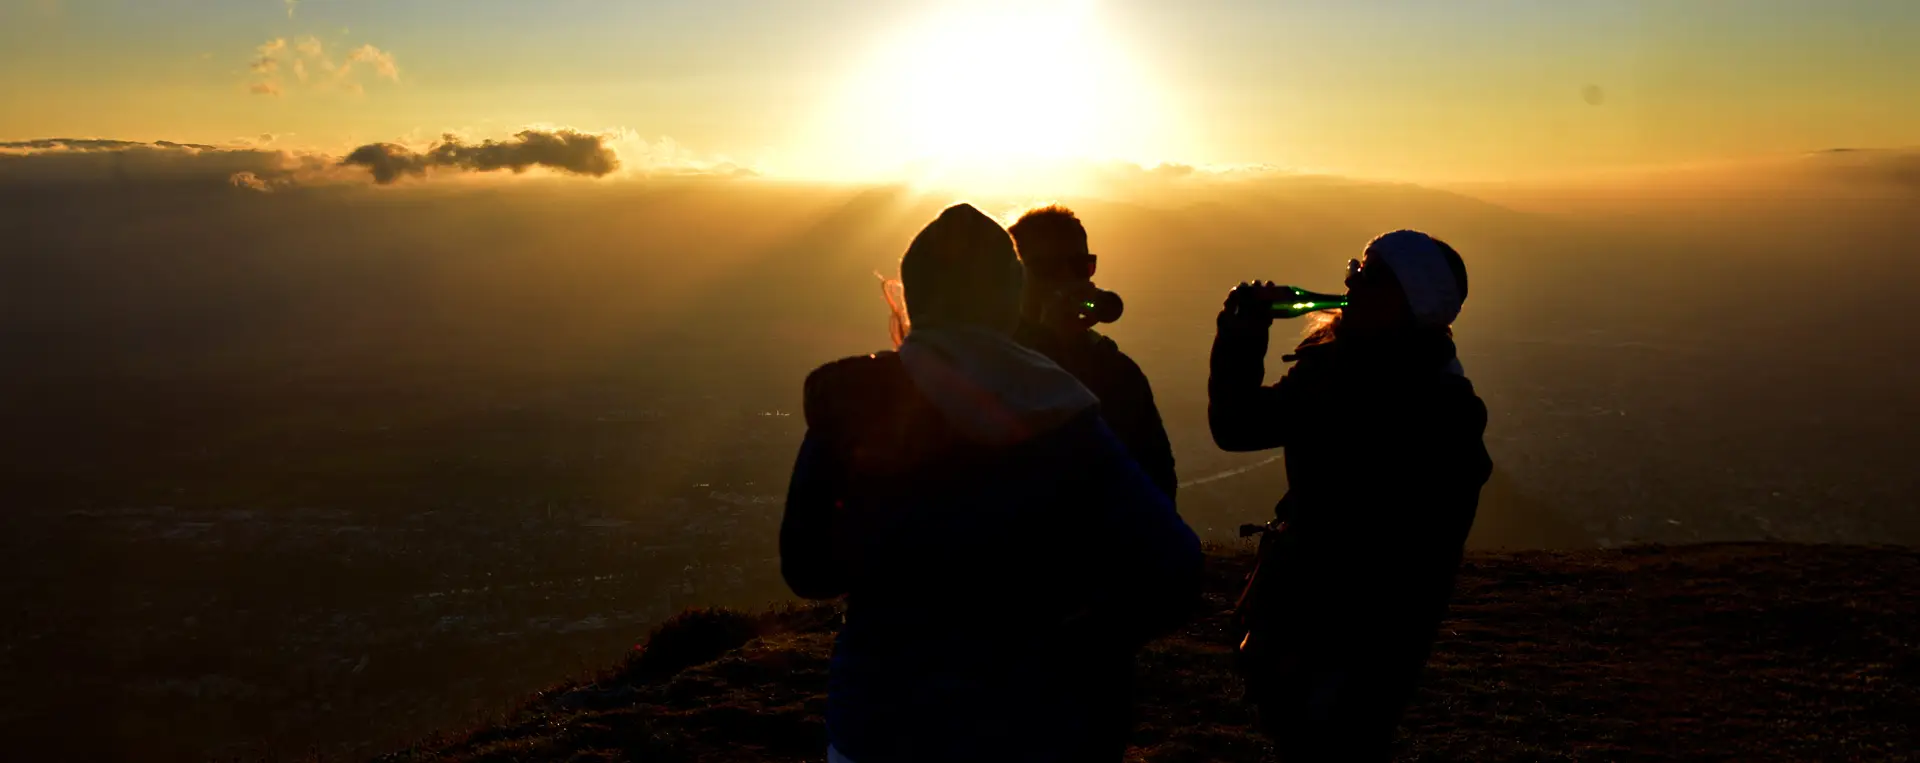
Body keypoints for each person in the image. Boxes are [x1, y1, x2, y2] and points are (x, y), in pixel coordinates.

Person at [782, 203, 1204, 763]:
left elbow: (808, 569)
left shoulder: (855, 404)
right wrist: (1075, 641)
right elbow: (1174, 565)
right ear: (1010, 302)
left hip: (881, 720)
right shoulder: (1065, 414)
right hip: (1032, 725)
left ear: (915, 296)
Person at [1209, 230, 1493, 762]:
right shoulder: (1429, 387)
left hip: (1342, 628)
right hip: (1372, 631)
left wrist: (1242, 333)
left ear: (1399, 299)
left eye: (1365, 272)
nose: (1348, 279)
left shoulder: (1354, 384)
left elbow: (1236, 425)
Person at [1008, 205, 1178, 503]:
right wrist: (1051, 342)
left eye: (1078, 266)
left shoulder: (1119, 371)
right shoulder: (991, 365)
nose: (1066, 280)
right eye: (1046, 269)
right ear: (1013, 278)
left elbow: (1157, 482)